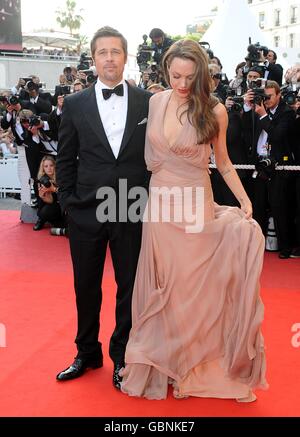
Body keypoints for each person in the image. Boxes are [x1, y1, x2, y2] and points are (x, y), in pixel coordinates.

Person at [120, 39, 268, 401]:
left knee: (194, 291)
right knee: (166, 288)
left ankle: (196, 368)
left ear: (200, 74)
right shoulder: (155, 102)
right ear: (166, 69)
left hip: (194, 204)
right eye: (175, 75)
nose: (182, 84)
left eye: (189, 76)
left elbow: (225, 162)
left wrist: (246, 202)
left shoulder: (214, 110)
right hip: (160, 206)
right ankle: (170, 362)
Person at [55, 27, 151, 388]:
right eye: (103, 53)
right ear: (93, 59)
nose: (110, 58)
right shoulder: (75, 103)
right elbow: (65, 157)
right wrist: (67, 202)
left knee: (129, 285)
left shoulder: (147, 102)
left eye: (116, 52)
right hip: (85, 210)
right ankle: (87, 352)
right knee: (86, 286)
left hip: (131, 207)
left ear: (125, 57)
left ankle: (122, 355)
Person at [33, 155, 64, 231]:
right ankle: (41, 219)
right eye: (46, 166)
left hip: (62, 203)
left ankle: (56, 223)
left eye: (51, 165)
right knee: (44, 209)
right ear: (43, 168)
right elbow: (50, 201)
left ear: (55, 166)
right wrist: (43, 196)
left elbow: (64, 193)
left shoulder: (61, 177)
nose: (49, 168)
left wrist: (53, 189)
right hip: (51, 204)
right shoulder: (42, 180)